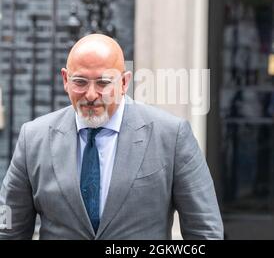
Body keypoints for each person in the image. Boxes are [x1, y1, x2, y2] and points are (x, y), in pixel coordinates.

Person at [0, 34, 223, 240]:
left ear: (124, 82)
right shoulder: (33, 138)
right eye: (80, 82)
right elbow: (8, 230)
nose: (90, 94)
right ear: (65, 80)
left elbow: (205, 231)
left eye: (104, 83)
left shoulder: (171, 136)